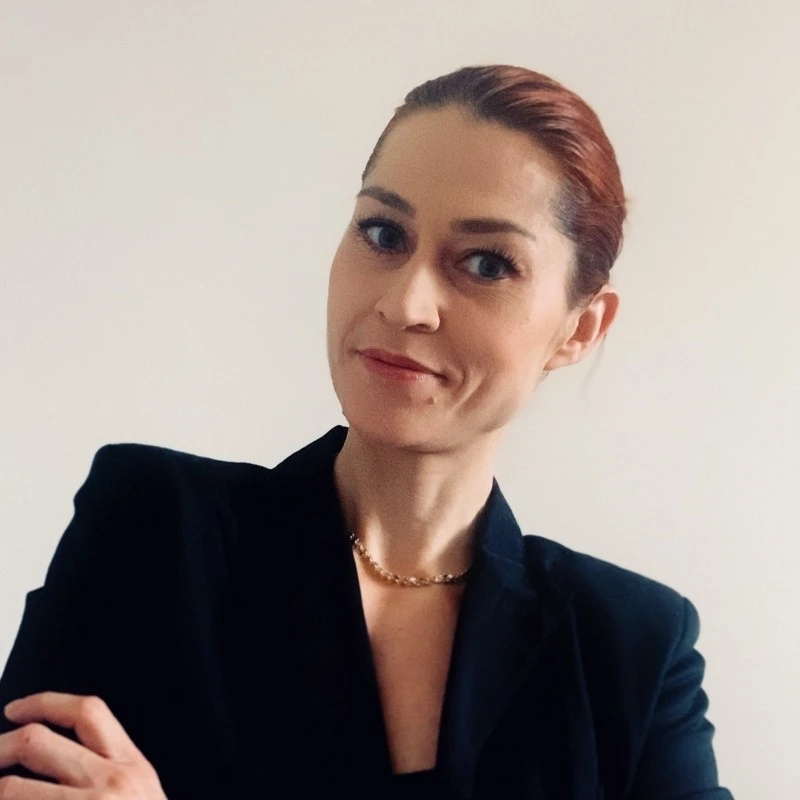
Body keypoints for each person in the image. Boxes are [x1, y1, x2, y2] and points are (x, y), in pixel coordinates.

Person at [0, 64, 733, 800]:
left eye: (486, 263)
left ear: (580, 328)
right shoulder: (153, 528)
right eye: (383, 233)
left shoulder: (634, 649)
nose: (405, 303)